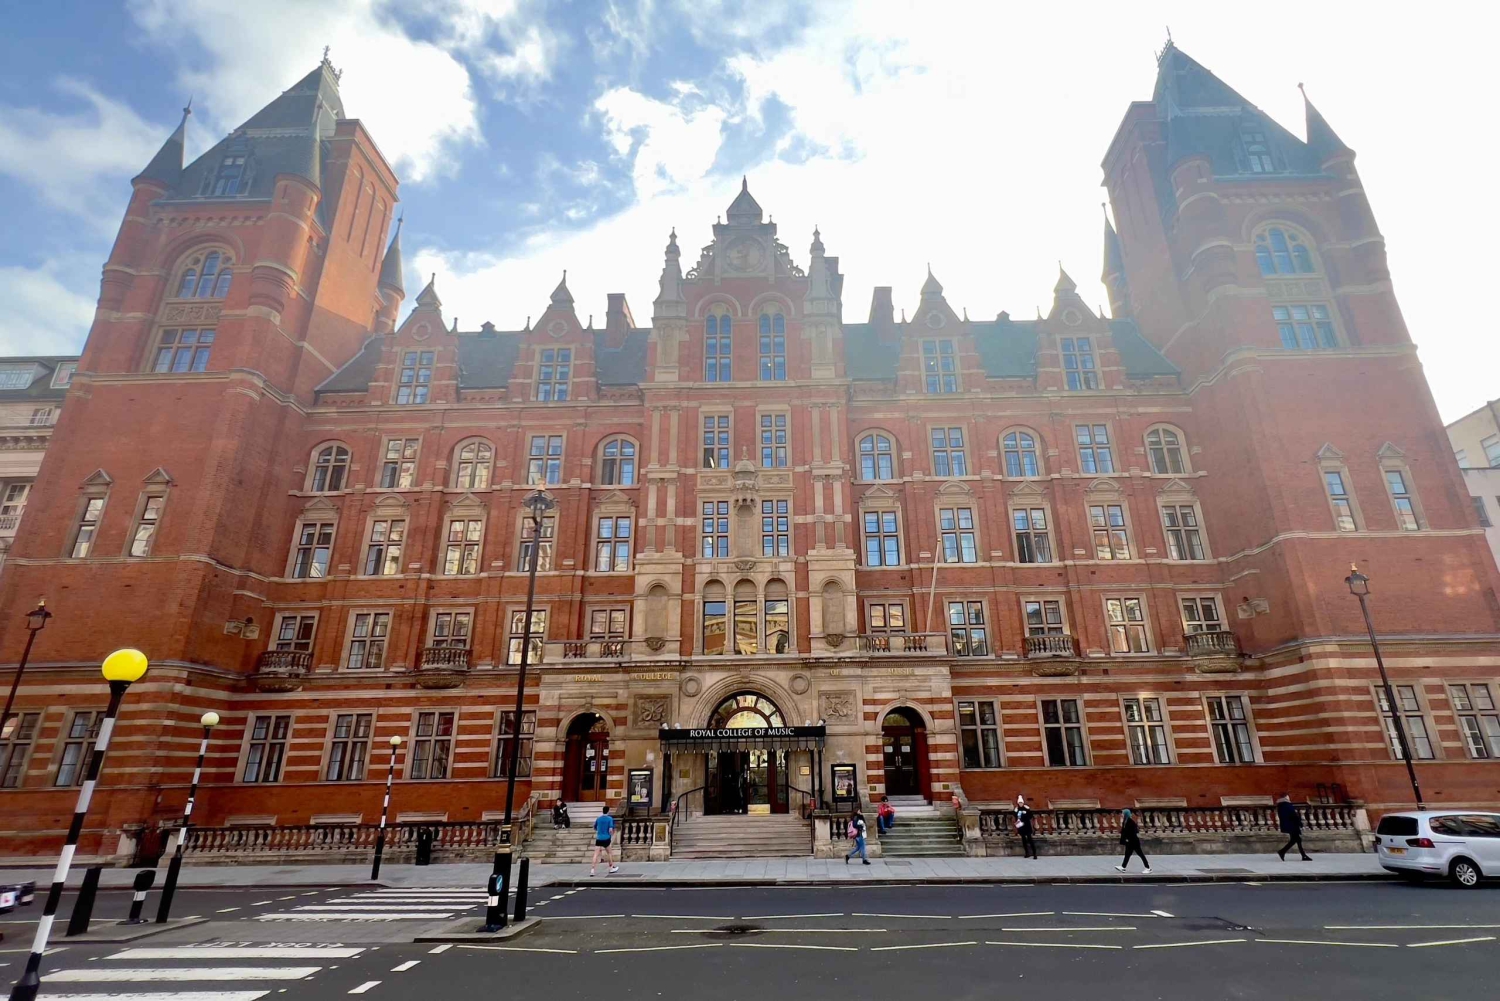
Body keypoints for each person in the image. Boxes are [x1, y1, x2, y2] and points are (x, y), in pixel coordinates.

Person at [1276, 794, 1311, 861]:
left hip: (1289, 825)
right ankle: (1282, 852)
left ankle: (1283, 852)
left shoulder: (1281, 806)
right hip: (1293, 825)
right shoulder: (1287, 805)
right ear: (1286, 798)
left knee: (1296, 840)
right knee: (1296, 839)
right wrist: (1299, 823)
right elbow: (1293, 815)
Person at [1115, 808, 1151, 873]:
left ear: (1126, 814)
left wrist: (1128, 838)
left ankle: (1148, 868)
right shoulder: (1125, 821)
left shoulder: (1131, 822)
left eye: (1123, 814)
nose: (1122, 815)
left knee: (1140, 854)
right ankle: (1123, 867)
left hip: (1134, 842)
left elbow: (1134, 831)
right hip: (1129, 842)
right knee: (1127, 855)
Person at [590, 804, 618, 876]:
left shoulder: (598, 819)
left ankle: (592, 870)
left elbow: (595, 827)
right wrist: (611, 834)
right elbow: (610, 829)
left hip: (599, 838)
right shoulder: (609, 819)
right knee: (609, 853)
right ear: (608, 811)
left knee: (595, 854)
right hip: (606, 838)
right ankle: (611, 867)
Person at [1015, 795, 1038, 859]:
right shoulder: (1017, 809)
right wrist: (1015, 812)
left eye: (1021, 803)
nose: (1020, 804)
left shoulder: (1026, 808)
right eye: (1019, 803)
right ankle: (1027, 853)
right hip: (1021, 826)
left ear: (1023, 803)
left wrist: (1027, 812)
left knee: (1030, 839)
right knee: (1024, 840)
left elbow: (1030, 816)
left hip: (1027, 826)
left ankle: (1034, 853)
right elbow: (1016, 817)